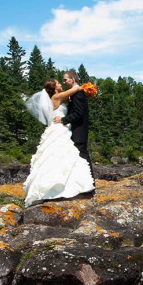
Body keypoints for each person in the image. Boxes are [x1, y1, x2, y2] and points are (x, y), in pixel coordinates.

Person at [23, 78, 95, 207]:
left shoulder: (59, 98)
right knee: (60, 154)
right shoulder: (57, 97)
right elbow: (76, 89)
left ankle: (63, 185)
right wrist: (88, 87)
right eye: (59, 83)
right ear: (55, 88)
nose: (61, 84)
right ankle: (57, 187)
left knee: (58, 156)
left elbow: (73, 99)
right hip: (58, 128)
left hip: (61, 127)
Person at [53, 70, 94, 180]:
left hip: (79, 131)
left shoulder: (78, 94)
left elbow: (78, 114)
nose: (64, 82)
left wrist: (63, 119)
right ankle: (82, 185)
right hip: (75, 130)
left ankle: (89, 185)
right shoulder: (74, 93)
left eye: (65, 79)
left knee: (82, 157)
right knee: (78, 157)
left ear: (73, 80)